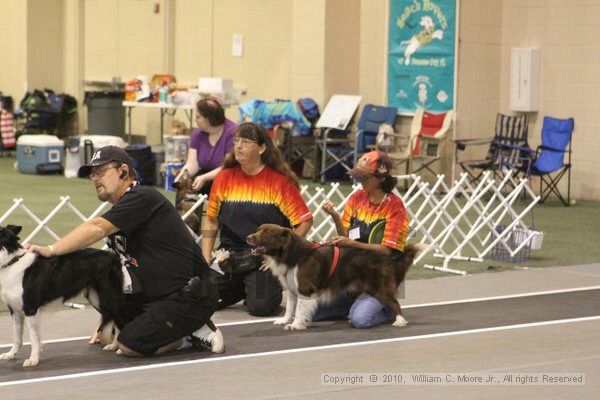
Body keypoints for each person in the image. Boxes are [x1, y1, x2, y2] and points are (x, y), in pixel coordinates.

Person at [27, 145, 224, 356]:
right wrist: (106, 320)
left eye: (101, 171)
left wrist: (51, 249)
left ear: (123, 170)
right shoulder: (123, 212)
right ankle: (173, 326)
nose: (95, 178)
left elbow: (96, 228)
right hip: (156, 295)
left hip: (190, 294)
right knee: (107, 335)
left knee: (130, 344)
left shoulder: (142, 197)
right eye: (92, 174)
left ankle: (189, 334)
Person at [202, 122, 313, 316]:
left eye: (246, 141)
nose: (238, 146)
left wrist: (280, 256)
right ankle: (244, 286)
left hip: (264, 258)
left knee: (262, 307)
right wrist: (205, 258)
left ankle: (258, 286)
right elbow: (211, 220)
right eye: (236, 141)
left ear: (262, 148)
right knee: (198, 296)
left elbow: (304, 221)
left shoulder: (279, 182)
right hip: (229, 257)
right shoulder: (224, 178)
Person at [318, 150, 410, 328]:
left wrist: (352, 244)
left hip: (380, 275)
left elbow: (387, 250)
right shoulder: (356, 198)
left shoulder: (395, 206)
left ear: (382, 178)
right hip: (353, 272)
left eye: (365, 178)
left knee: (360, 320)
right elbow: (345, 235)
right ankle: (356, 301)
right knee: (315, 312)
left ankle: (387, 309)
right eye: (358, 177)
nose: (360, 181)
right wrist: (335, 216)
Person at [176, 97, 238, 195]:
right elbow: (192, 163)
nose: (195, 120)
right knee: (186, 187)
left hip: (228, 176)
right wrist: (182, 176)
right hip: (206, 173)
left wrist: (204, 178)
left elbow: (227, 167)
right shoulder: (197, 133)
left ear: (209, 119)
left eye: (198, 117)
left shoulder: (232, 133)